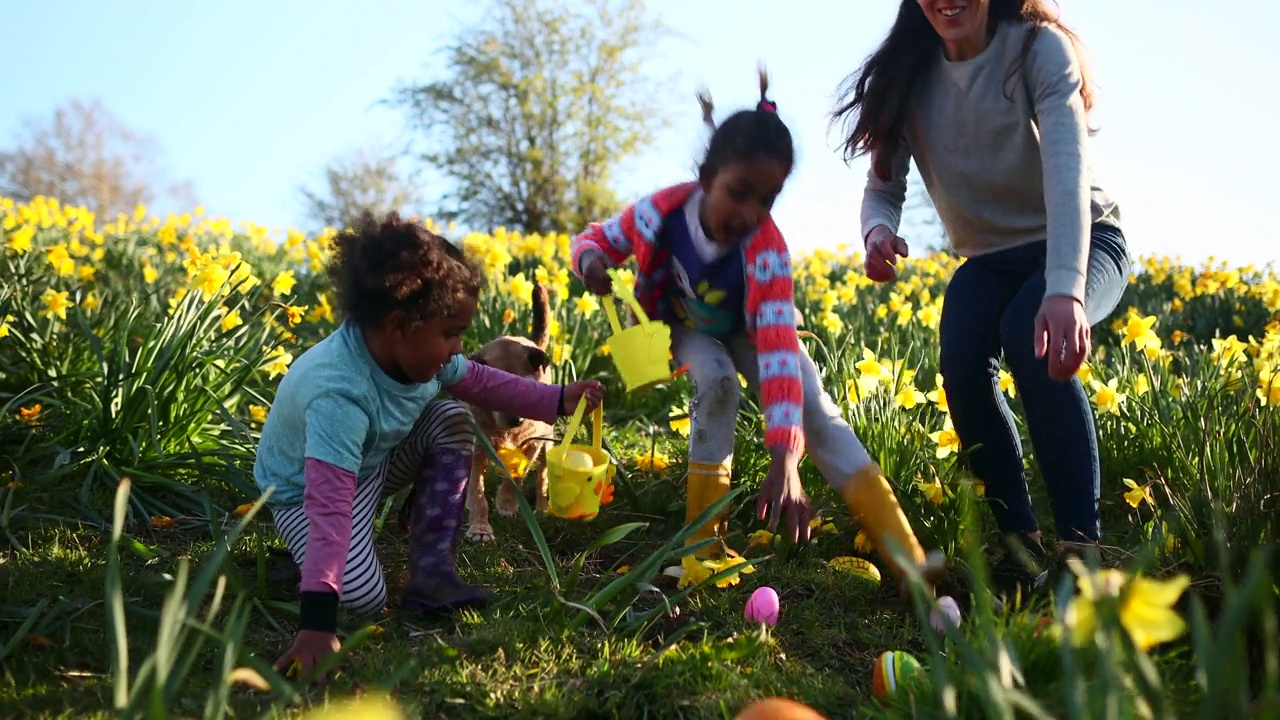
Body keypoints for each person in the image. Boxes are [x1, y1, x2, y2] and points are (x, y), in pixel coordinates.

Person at [572, 66, 944, 594]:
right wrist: (589, 263)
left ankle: (906, 557)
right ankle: (702, 548)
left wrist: (784, 459)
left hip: (749, 328)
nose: (749, 213)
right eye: (739, 192)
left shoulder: (766, 253)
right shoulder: (661, 214)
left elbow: (775, 354)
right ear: (707, 179)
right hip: (683, 325)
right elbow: (597, 240)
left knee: (817, 411)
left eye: (766, 200)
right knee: (718, 382)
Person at [832, 0, 1131, 600]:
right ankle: (1023, 548)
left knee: (1032, 332)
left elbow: (1068, 178)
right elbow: (882, 188)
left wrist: (1065, 291)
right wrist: (877, 233)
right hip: (990, 259)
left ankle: (1081, 556)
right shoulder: (906, 74)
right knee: (962, 361)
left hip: (1083, 239)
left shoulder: (1037, 49)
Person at [255, 212, 605, 681]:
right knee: (362, 597)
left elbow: (483, 383)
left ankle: (432, 568)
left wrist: (558, 399)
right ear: (400, 325)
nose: (459, 347)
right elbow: (331, 504)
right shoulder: (339, 394)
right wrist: (317, 623)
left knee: (452, 417)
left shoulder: (422, 354)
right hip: (307, 492)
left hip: (371, 462)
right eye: (451, 333)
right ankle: (307, 570)